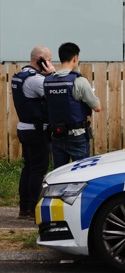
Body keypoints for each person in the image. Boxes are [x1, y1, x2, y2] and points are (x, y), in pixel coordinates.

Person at [11, 46, 56, 219]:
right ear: (40, 60)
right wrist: (51, 75)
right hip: (37, 130)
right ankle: (35, 209)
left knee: (28, 168)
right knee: (38, 169)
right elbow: (54, 93)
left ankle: (24, 208)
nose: (51, 63)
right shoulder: (36, 80)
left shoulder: (20, 76)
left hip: (24, 127)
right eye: (49, 60)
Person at [44, 42, 101, 169]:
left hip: (56, 135)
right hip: (77, 136)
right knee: (81, 174)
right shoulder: (79, 81)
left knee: (60, 174)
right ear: (75, 58)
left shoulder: (47, 82)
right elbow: (97, 107)